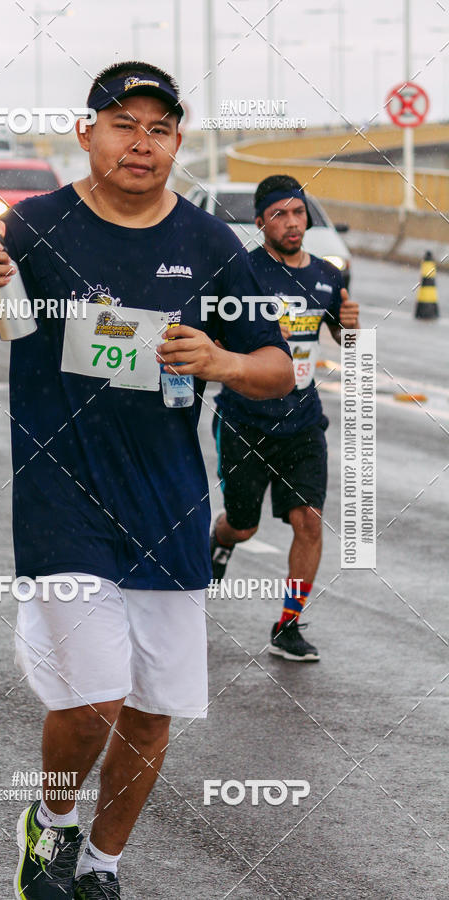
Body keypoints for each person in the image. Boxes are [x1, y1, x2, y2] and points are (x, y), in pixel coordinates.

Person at [0, 62, 293, 899]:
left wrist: (221, 357)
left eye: (158, 128)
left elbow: (278, 368)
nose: (140, 142)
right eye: (123, 124)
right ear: (87, 132)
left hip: (169, 508)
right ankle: (49, 825)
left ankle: (102, 865)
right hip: (62, 504)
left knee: (154, 712)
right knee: (94, 703)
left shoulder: (206, 242)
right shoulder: (36, 228)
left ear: (176, 141)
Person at [210, 174, 360, 663]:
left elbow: (342, 342)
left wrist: (352, 329)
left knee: (309, 523)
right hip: (245, 421)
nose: (293, 222)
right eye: (280, 214)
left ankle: (288, 624)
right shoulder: (240, 273)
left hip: (302, 422)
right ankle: (221, 539)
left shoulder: (327, 276)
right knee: (244, 524)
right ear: (261, 223)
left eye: (298, 213)